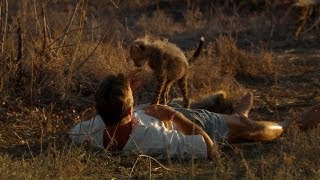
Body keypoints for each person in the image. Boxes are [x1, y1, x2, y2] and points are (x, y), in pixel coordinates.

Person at [69, 72, 318, 159]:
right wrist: (173, 115)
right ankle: (290, 122)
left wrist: (125, 91)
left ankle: (238, 114)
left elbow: (108, 113)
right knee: (254, 129)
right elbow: (210, 149)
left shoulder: (86, 130)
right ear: (130, 109)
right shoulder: (154, 139)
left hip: (159, 113)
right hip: (195, 123)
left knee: (235, 119)